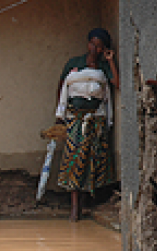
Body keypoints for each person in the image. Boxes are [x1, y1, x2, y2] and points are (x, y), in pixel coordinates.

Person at [55, 27, 120, 222]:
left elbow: (116, 83)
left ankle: (86, 202)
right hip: (75, 120)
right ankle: (74, 207)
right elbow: (61, 89)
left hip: (96, 121)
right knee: (74, 160)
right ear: (88, 43)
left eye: (100, 46)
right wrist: (60, 116)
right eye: (93, 44)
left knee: (92, 160)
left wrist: (110, 60)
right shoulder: (74, 63)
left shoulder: (104, 66)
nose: (95, 49)